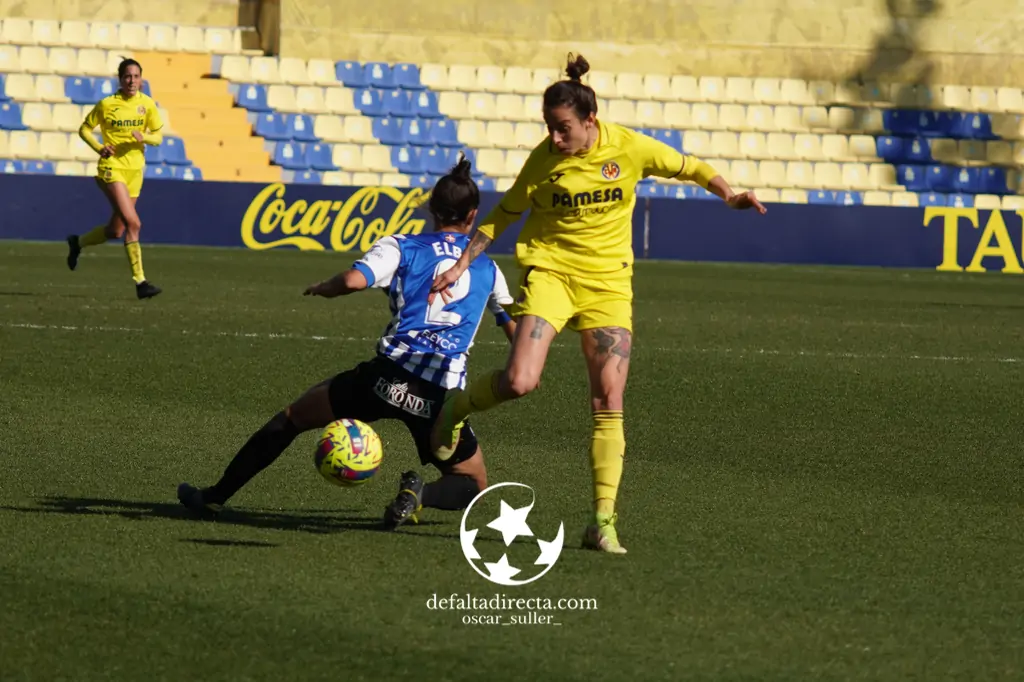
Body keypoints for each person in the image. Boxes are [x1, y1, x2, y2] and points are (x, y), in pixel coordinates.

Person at [428, 54, 768, 555]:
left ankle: (601, 521)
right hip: (552, 275)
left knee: (608, 402)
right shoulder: (543, 162)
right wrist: (459, 267)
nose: (555, 138)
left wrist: (728, 194)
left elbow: (689, 166)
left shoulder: (628, 147)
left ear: (591, 121)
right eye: (548, 127)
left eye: (563, 127)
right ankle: (455, 408)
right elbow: (504, 215)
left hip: (608, 285)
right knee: (520, 381)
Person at [177, 156, 516, 528]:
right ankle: (421, 494)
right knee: (473, 482)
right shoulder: (489, 268)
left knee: (292, 419)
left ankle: (214, 498)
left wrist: (324, 288)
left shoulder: (403, 246)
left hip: (386, 378)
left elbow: (354, 280)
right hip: (443, 396)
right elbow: (514, 329)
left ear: (431, 208)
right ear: (473, 215)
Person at [66, 57, 163, 300]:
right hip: (112, 168)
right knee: (134, 223)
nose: (132, 81)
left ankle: (78, 243)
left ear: (141, 80)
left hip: (135, 171)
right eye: (128, 76)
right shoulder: (107, 105)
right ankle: (141, 282)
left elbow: (158, 136)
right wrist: (100, 149)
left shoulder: (147, 105)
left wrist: (144, 138)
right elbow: (84, 129)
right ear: (120, 79)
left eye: (136, 76)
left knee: (116, 230)